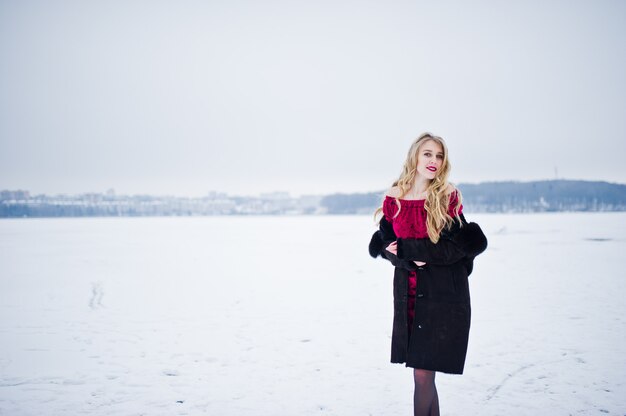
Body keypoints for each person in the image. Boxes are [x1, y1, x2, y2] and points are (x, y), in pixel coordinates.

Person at [368, 132, 488, 416]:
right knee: (422, 376)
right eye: (428, 154)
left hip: (443, 296)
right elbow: (388, 247)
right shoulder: (394, 198)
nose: (434, 160)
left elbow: (458, 249)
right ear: (415, 157)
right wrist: (402, 258)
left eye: (439, 155)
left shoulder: (446, 197)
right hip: (408, 294)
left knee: (423, 376)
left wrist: (411, 250)